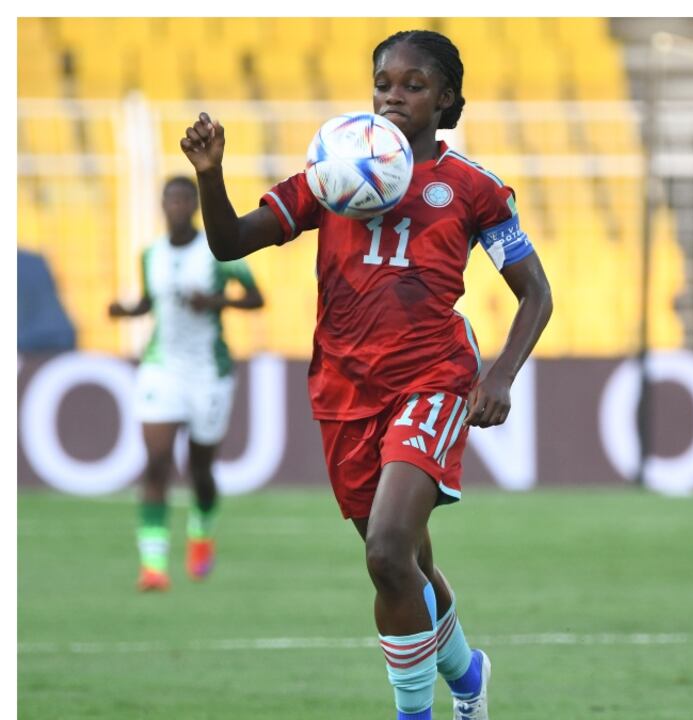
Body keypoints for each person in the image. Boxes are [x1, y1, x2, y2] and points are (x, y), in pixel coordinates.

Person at [179, 30, 552, 720]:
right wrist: (210, 173)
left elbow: (536, 292)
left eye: (413, 86)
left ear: (445, 98)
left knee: (385, 553)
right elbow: (231, 241)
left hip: (433, 382)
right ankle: (468, 676)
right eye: (384, 83)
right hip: (344, 391)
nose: (393, 96)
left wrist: (498, 375)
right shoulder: (333, 173)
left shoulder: (472, 189)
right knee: (407, 567)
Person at [108, 176, 264, 592]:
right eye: (169, 200)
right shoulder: (150, 255)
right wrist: (127, 311)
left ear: (194, 205)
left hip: (208, 371)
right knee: (156, 461)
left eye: (182, 200)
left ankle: (201, 531)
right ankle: (153, 565)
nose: (175, 207)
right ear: (162, 205)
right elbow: (149, 301)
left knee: (201, 470)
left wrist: (216, 302)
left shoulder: (218, 251)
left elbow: (255, 297)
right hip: (162, 367)